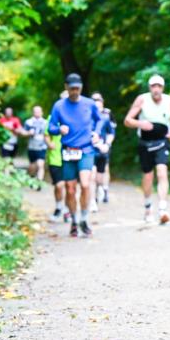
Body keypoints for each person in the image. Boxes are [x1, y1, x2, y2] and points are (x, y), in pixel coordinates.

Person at [47, 74, 102, 237]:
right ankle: (74, 220)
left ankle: (84, 218)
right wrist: (58, 130)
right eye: (72, 89)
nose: (75, 91)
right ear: (66, 87)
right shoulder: (59, 106)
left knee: (85, 184)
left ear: (81, 87)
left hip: (86, 149)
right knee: (70, 189)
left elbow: (100, 120)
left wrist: (97, 134)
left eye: (77, 88)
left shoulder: (89, 104)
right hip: (68, 150)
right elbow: (50, 127)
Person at [123, 74, 170, 224]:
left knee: (162, 171)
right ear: (149, 88)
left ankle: (162, 209)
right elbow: (127, 120)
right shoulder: (142, 100)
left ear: (163, 87)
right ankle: (148, 207)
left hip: (162, 141)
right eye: (153, 86)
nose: (156, 89)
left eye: (159, 86)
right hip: (145, 142)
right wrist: (141, 124)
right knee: (148, 176)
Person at [44, 92, 70, 222]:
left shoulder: (74, 117)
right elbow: (46, 134)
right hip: (55, 157)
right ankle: (59, 207)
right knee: (59, 185)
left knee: (69, 185)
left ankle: (67, 210)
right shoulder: (52, 118)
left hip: (70, 156)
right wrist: (49, 144)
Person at [89, 92, 116, 211]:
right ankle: (92, 201)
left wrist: (107, 144)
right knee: (92, 176)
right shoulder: (87, 118)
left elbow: (111, 132)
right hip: (89, 150)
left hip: (102, 151)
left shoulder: (106, 116)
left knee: (100, 177)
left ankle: (102, 188)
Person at [24, 105, 49, 187]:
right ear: (33, 112)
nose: (37, 113)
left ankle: (39, 183)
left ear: (42, 112)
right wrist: (28, 133)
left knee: (40, 164)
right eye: (35, 111)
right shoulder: (28, 122)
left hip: (42, 147)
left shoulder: (46, 122)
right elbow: (23, 134)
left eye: (39, 111)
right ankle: (31, 177)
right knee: (32, 166)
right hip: (32, 147)